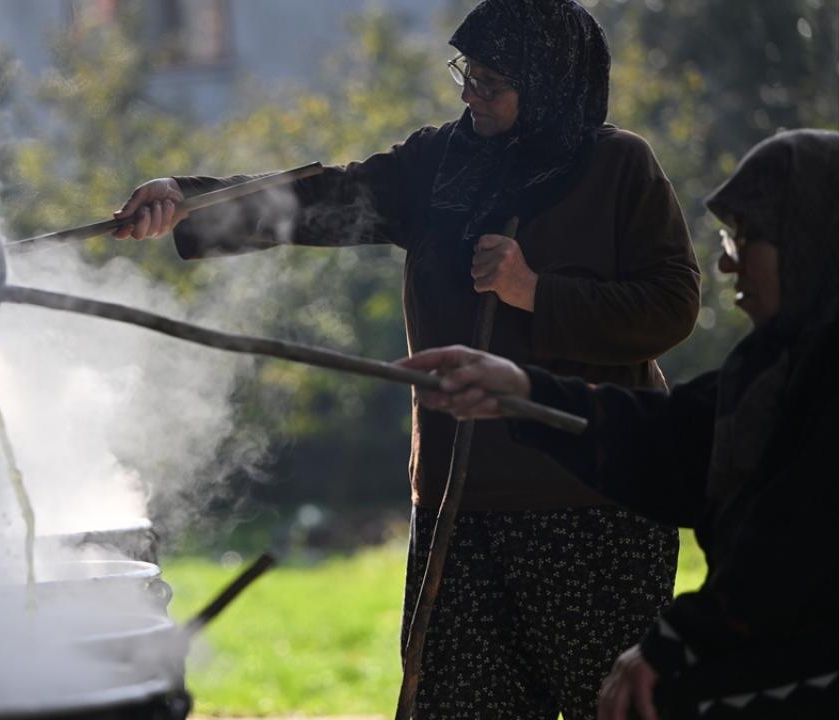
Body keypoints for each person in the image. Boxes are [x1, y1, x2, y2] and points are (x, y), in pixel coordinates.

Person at [112, 1, 700, 716]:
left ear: (550, 86)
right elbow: (327, 197)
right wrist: (190, 201)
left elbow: (670, 307)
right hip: (459, 504)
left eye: (491, 83)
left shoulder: (619, 167)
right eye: (467, 74)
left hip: (592, 512)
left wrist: (535, 292)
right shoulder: (439, 163)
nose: (468, 95)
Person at [401, 128, 839, 719]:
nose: (727, 260)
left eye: (747, 236)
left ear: (813, 239)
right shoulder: (780, 368)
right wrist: (522, 390)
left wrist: (674, 642)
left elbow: (795, 540)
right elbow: (675, 438)